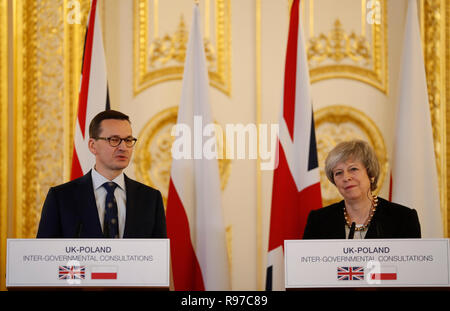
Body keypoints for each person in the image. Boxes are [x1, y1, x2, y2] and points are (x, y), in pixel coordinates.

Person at [37, 110, 167, 238]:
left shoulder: (151, 198)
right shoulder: (61, 197)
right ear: (93, 146)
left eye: (128, 140)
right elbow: (46, 254)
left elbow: (158, 255)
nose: (123, 147)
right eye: (114, 139)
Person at [303, 139, 421, 239]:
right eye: (338, 173)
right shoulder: (318, 221)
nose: (346, 177)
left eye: (353, 169)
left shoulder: (403, 218)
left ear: (370, 174)